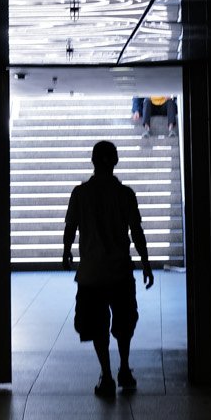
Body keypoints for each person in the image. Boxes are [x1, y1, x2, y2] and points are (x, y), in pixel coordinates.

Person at [62, 139, 153, 397]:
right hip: (120, 271)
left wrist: (66, 251)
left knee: (96, 325)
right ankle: (124, 367)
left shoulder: (80, 194)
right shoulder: (126, 195)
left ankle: (107, 375)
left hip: (92, 274)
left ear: (92, 161)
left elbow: (70, 227)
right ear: (115, 161)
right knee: (124, 323)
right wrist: (146, 263)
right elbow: (136, 232)